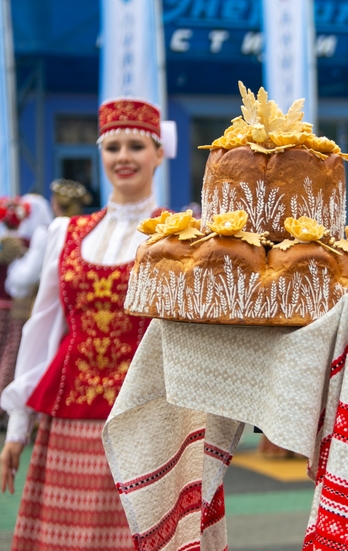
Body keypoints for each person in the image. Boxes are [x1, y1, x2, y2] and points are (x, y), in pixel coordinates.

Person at [0, 98, 167, 551]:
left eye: (136, 145)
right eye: (113, 147)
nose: (124, 157)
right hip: (68, 416)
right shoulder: (66, 233)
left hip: (145, 420)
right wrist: (18, 425)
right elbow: (44, 329)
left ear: (158, 153)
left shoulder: (176, 234)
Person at [1, 195, 54, 423]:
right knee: (12, 355)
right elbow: (22, 280)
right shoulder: (27, 242)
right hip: (17, 307)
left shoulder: (18, 241)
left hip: (13, 306)